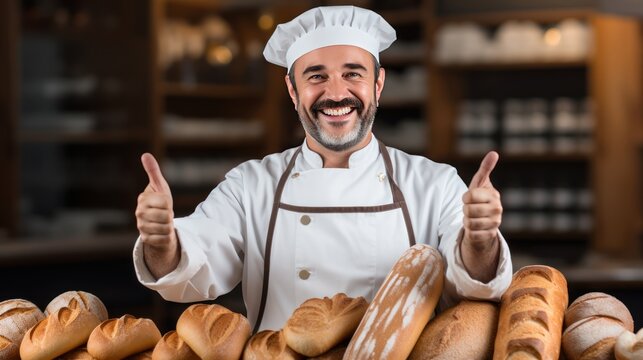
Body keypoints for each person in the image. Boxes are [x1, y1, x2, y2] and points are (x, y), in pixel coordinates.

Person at [133, 5, 512, 333]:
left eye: (353, 74)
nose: (335, 93)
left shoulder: (435, 184)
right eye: (316, 76)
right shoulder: (251, 185)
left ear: (378, 85)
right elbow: (193, 269)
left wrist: (479, 241)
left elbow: (476, 286)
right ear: (292, 90)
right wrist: (162, 242)